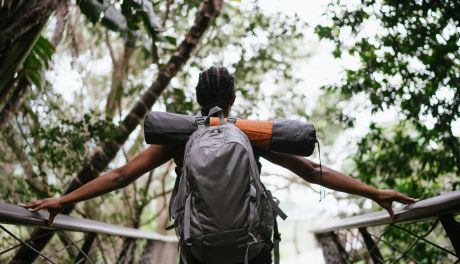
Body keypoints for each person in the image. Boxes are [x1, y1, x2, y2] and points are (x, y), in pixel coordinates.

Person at [21, 66, 416, 263]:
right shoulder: (250, 133)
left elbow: (122, 176)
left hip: (200, 248)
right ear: (231, 99)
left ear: (197, 98)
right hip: (252, 245)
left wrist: (62, 200)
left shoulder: (181, 136)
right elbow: (313, 171)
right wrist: (375, 192)